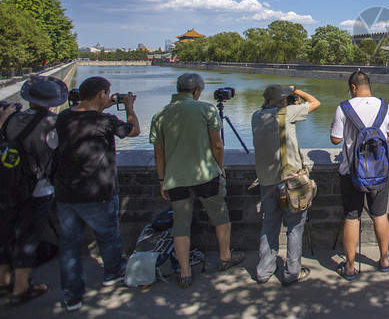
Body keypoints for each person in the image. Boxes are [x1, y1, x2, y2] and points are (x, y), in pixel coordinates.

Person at [53, 76, 140, 312]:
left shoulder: (63, 117)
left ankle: (72, 296)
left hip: (66, 193)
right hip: (98, 191)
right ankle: (112, 273)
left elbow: (85, 114)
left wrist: (101, 106)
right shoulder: (105, 120)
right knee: (109, 236)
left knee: (69, 247)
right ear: (102, 93)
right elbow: (133, 131)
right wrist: (129, 107)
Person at [150, 73, 244, 289]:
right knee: (220, 215)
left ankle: (184, 273)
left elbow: (158, 154)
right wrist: (219, 168)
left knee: (181, 224)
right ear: (197, 91)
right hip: (206, 174)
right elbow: (218, 145)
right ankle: (224, 257)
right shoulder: (207, 109)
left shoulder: (160, 114)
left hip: (176, 178)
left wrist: (162, 179)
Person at [0, 76, 67, 306]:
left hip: (7, 185)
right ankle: (21, 287)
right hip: (37, 188)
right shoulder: (53, 122)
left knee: (5, 235)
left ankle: (3, 279)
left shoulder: (12, 119)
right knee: (28, 238)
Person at [330, 71, 389, 281]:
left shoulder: (344, 108)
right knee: (380, 214)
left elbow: (335, 139)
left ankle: (350, 267)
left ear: (352, 87)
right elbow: (388, 137)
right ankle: (384, 260)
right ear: (368, 85)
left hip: (351, 172)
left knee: (352, 217)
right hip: (379, 172)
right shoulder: (385, 106)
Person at [251, 84, 320, 285]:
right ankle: (292, 272)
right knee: (295, 227)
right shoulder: (287, 113)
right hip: (291, 180)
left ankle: (264, 271)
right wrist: (296, 91)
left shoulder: (256, 116)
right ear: (281, 100)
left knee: (269, 223)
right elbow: (315, 102)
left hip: (266, 180)